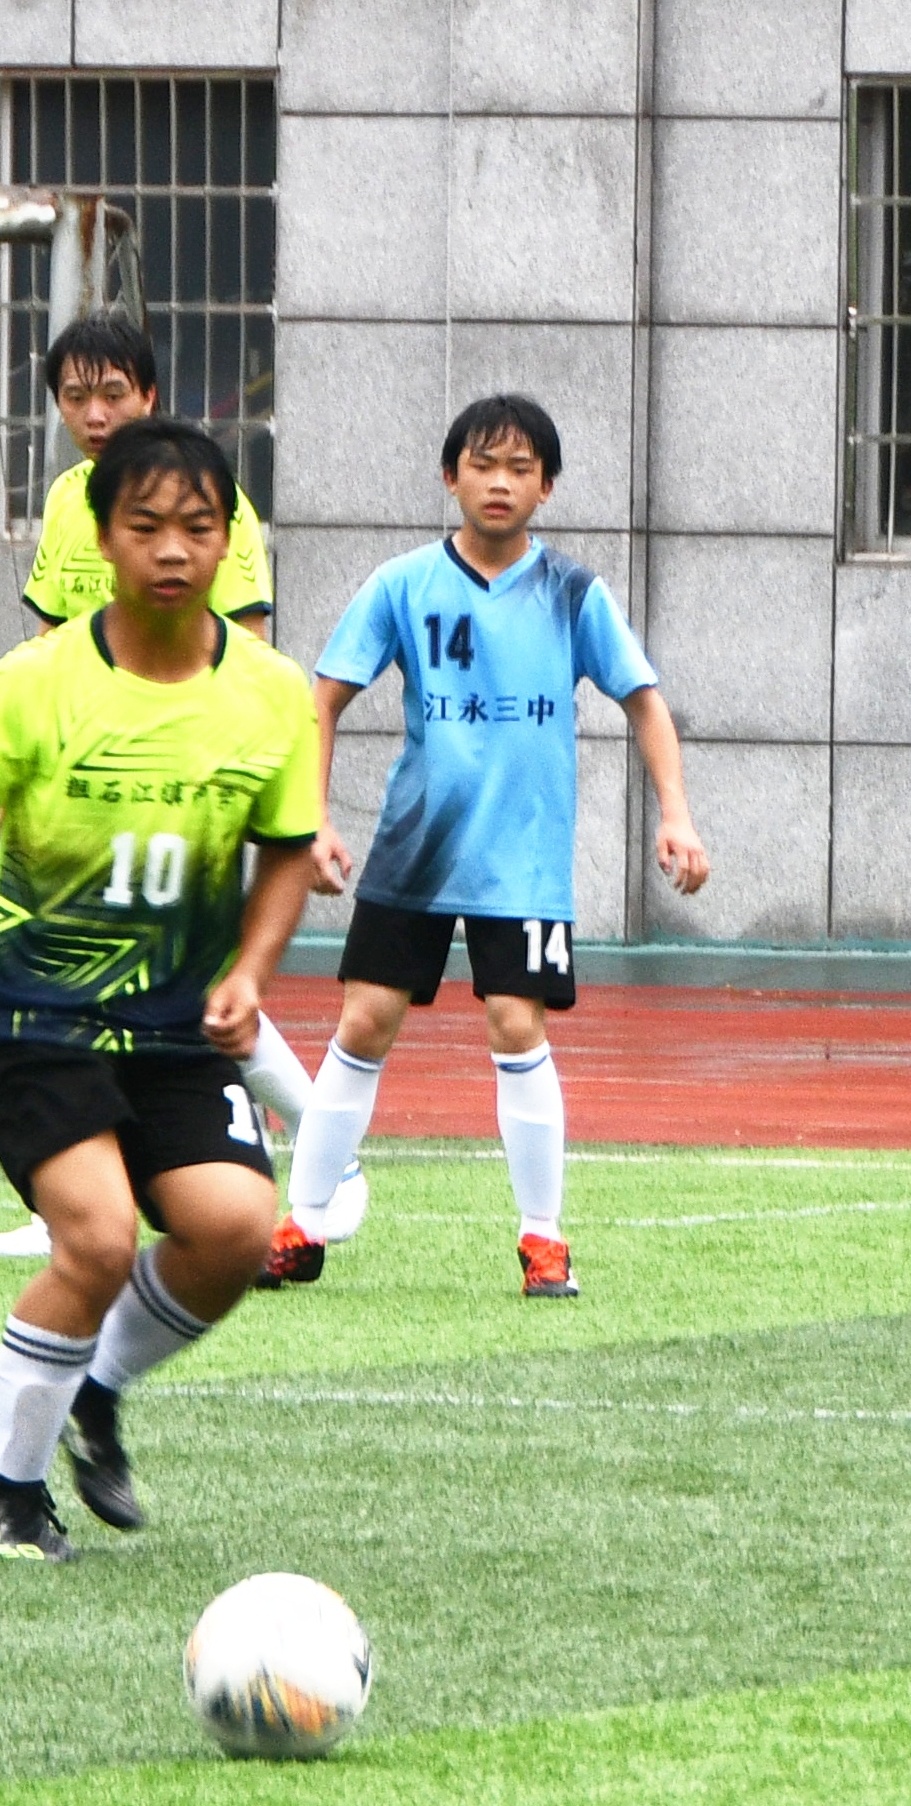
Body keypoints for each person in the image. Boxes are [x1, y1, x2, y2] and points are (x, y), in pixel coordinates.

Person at [0, 418, 320, 1563]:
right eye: (146, 526)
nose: (173, 549)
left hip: (174, 1018)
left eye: (198, 527)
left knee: (232, 1232)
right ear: (102, 540)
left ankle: (96, 1389)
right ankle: (3, 1489)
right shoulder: (30, 684)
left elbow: (284, 854)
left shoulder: (270, 695)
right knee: (99, 1236)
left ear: (230, 543)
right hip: (31, 1010)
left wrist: (251, 970)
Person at [267, 394, 710, 1298]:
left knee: (516, 1026)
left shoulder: (573, 591)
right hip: (415, 849)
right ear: (449, 476)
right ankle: (300, 1224)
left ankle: (543, 1240)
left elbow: (642, 700)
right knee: (363, 1022)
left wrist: (676, 814)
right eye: (481, 464)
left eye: (519, 468)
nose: (498, 483)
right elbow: (320, 698)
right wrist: (310, 819)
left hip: (523, 858)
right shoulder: (400, 585)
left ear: (547, 486)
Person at [0, 314, 352, 1262]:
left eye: (113, 393)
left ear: (148, 393)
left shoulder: (205, 501)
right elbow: (48, 641)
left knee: (183, 988)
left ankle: (326, 1147)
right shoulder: (72, 499)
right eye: (75, 396)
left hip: (191, 784)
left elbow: (257, 657)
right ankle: (77, 1196)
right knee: (88, 978)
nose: (94, 413)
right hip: (86, 789)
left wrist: (287, 810)